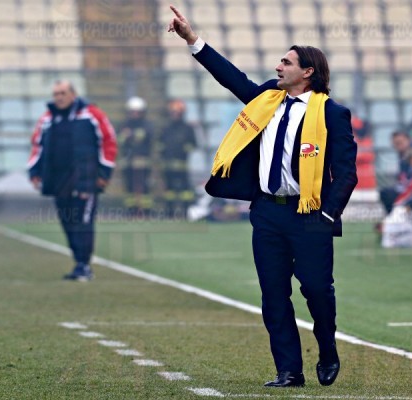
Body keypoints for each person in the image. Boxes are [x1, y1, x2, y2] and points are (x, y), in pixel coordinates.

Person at [168, 5, 358, 388]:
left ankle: (327, 349)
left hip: (309, 215)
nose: (278, 67)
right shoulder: (267, 99)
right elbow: (231, 77)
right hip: (268, 213)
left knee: (317, 290)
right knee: (273, 295)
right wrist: (192, 39)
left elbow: (346, 172)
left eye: (286, 63)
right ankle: (289, 370)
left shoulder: (332, 113)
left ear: (308, 72)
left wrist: (327, 214)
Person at [28, 80, 117, 281]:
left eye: (62, 93)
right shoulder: (47, 119)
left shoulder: (92, 114)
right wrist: (34, 171)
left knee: (83, 222)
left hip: (86, 179)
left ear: (73, 94)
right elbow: (37, 146)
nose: (59, 97)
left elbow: (108, 142)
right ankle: (79, 262)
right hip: (58, 181)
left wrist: (104, 173)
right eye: (56, 94)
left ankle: (84, 264)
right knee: (67, 222)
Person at [118, 96, 155, 215]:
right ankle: (131, 210)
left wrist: (131, 134)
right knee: (129, 186)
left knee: (144, 186)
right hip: (127, 161)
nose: (135, 114)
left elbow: (146, 136)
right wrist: (126, 136)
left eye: (138, 112)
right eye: (133, 112)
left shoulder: (147, 125)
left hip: (143, 161)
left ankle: (146, 210)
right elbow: (119, 139)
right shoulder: (124, 125)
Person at [379, 131, 412, 214]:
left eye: (400, 143)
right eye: (395, 144)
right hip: (409, 185)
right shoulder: (403, 155)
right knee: (387, 193)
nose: (398, 146)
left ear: (408, 140)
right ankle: (395, 216)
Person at [161, 99, 197, 216]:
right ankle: (170, 213)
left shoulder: (187, 128)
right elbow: (160, 144)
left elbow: (194, 144)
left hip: (182, 165)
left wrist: (185, 148)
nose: (175, 115)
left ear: (182, 113)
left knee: (185, 191)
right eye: (173, 112)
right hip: (168, 165)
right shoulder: (166, 128)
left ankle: (186, 212)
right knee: (169, 191)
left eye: (177, 112)